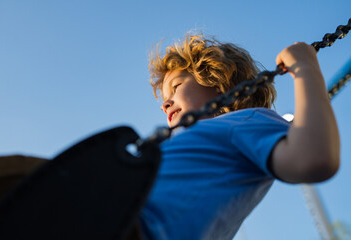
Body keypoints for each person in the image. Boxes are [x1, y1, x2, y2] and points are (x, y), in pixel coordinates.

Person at [139, 34, 340, 239]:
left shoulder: (245, 121)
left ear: (215, 80)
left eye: (175, 87)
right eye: (165, 100)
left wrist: (306, 68)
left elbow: (312, 158)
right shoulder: (167, 148)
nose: (166, 105)